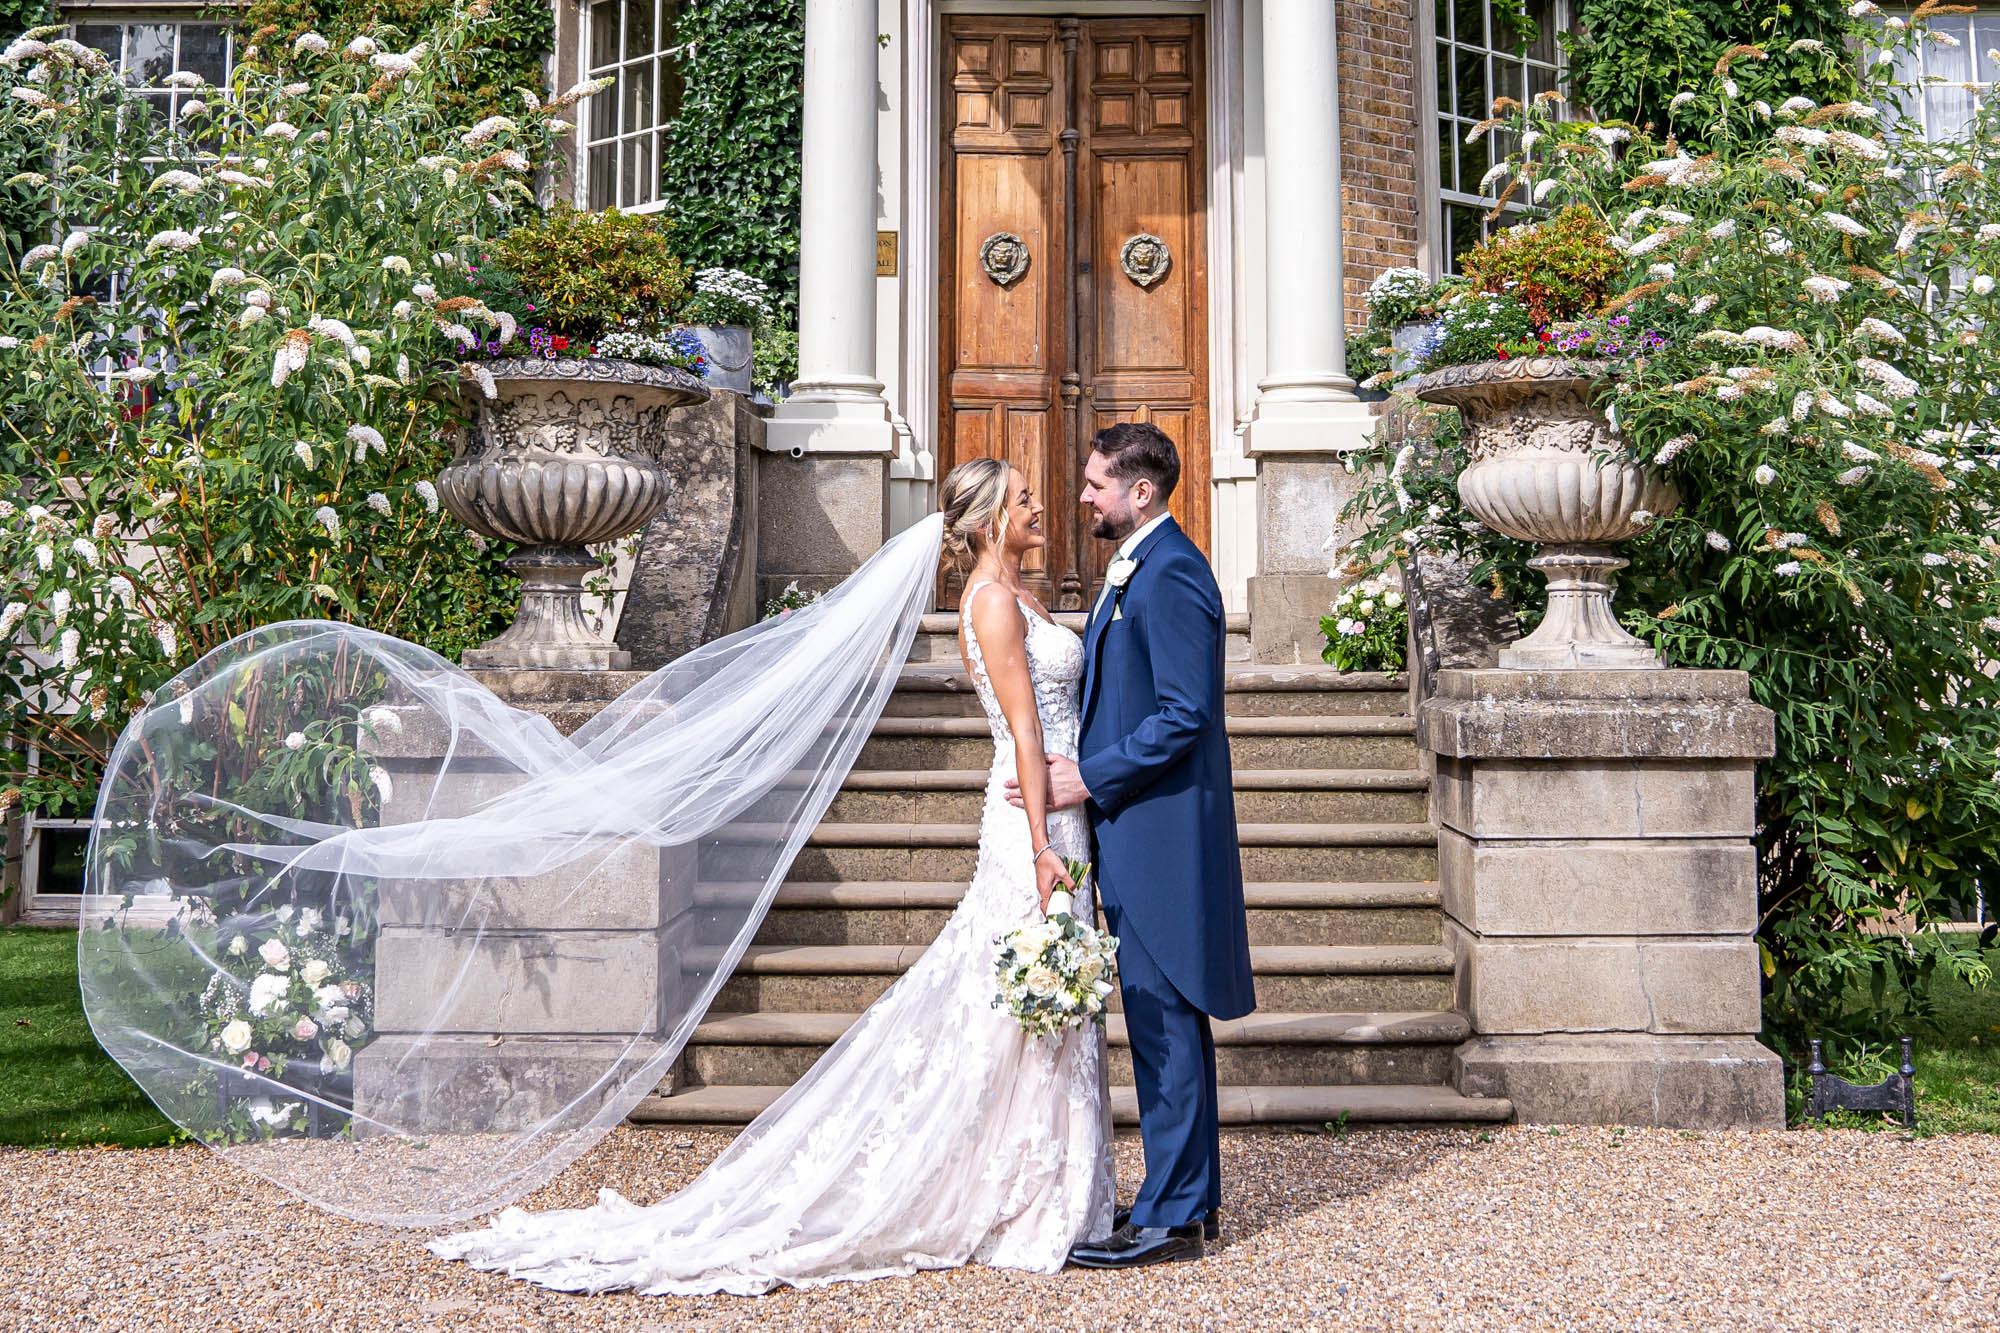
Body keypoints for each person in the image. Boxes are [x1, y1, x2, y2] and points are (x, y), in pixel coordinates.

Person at [427, 456, 1115, 1295]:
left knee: (1021, 997)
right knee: (1016, 994)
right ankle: (1018, 1192)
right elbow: (1022, 736)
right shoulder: (996, 605)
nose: (1040, 507)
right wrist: (1045, 847)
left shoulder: (1020, 596)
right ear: (984, 523)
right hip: (1031, 818)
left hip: (1058, 810)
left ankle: (1037, 1180)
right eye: (1024, 500)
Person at [1008, 421, 1255, 1269]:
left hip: (1163, 833)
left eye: (1095, 484)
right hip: (1133, 829)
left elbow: (1185, 713)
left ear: (1138, 492)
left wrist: (1089, 776)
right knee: (1158, 1017)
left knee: (1162, 1016)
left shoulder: (1176, 574)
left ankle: (1173, 1216)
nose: (1083, 497)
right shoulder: (1139, 566)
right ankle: (1189, 1199)